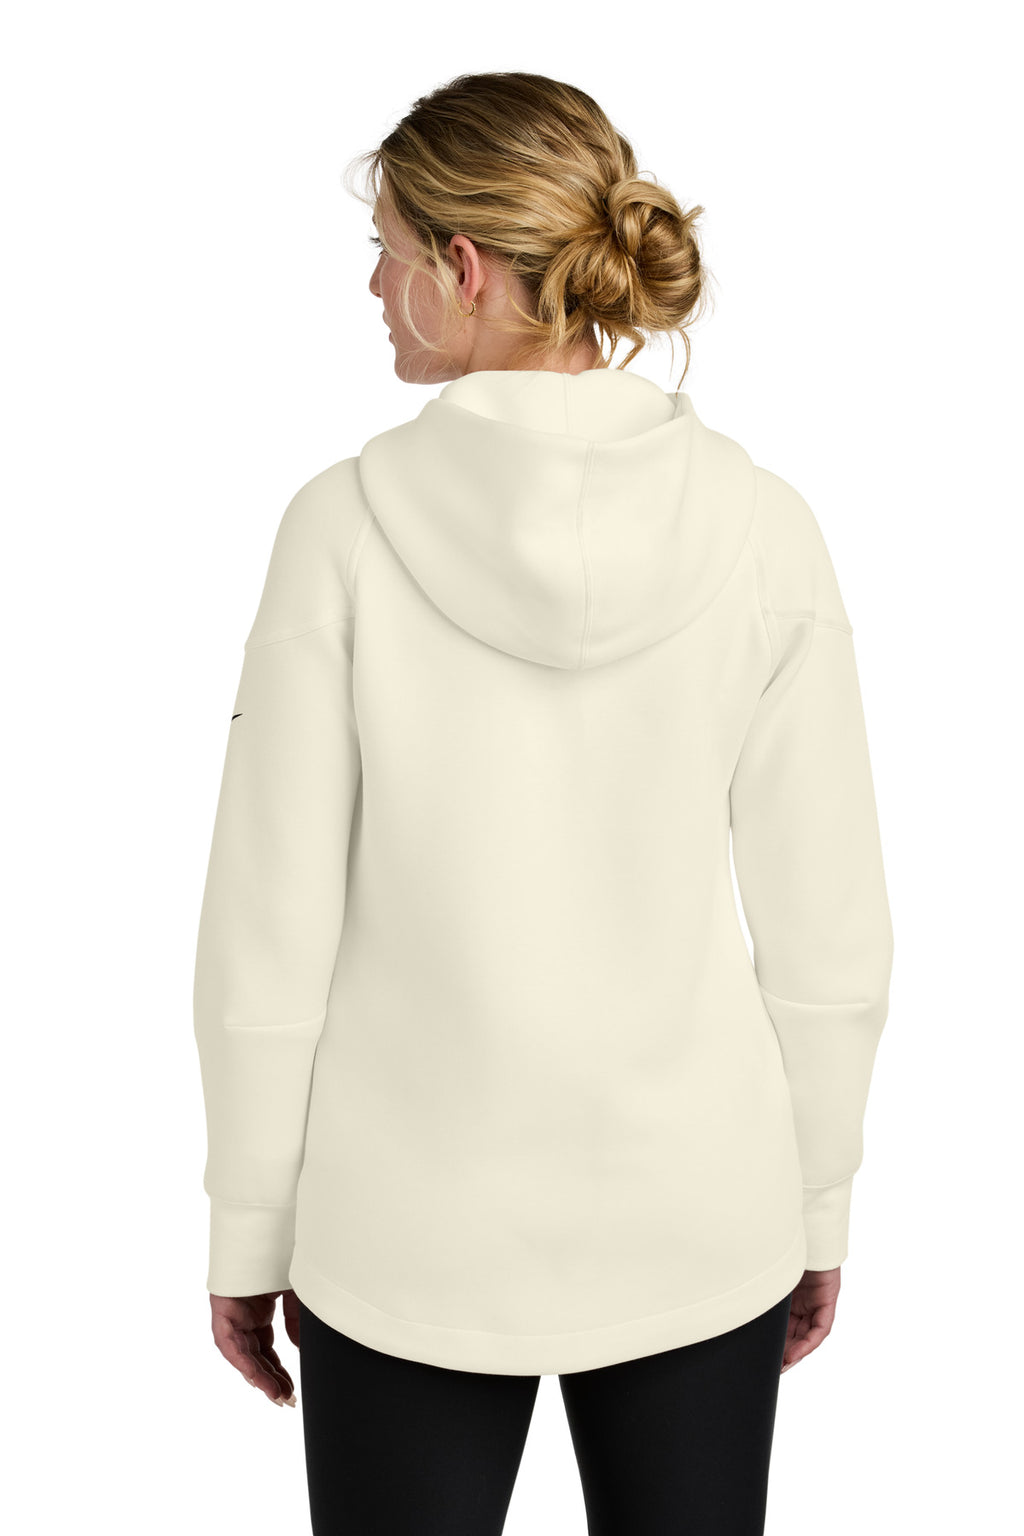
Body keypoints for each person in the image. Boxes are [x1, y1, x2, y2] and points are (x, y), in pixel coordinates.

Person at [192, 71, 894, 1536]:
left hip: (404, 1231)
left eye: (387, 248)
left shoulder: (340, 531)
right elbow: (828, 930)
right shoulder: (764, 528)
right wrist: (816, 1199)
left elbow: (268, 934)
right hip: (700, 1216)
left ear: (463, 268)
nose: (372, 287)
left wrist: (252, 1224)